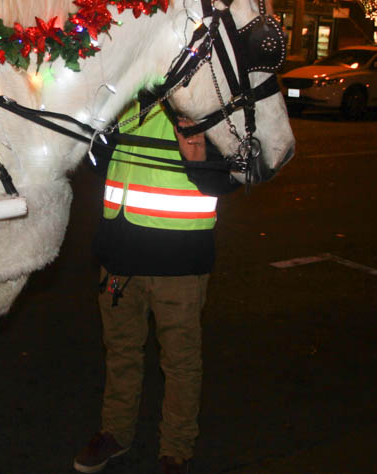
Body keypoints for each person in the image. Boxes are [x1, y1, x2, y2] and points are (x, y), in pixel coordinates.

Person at [73, 100, 237, 474]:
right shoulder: (126, 103)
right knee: (120, 352)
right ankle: (115, 432)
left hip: (178, 263)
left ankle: (176, 451)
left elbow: (229, 179)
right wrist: (96, 138)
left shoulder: (203, 103)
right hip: (118, 257)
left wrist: (197, 157)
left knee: (180, 362)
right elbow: (99, 167)